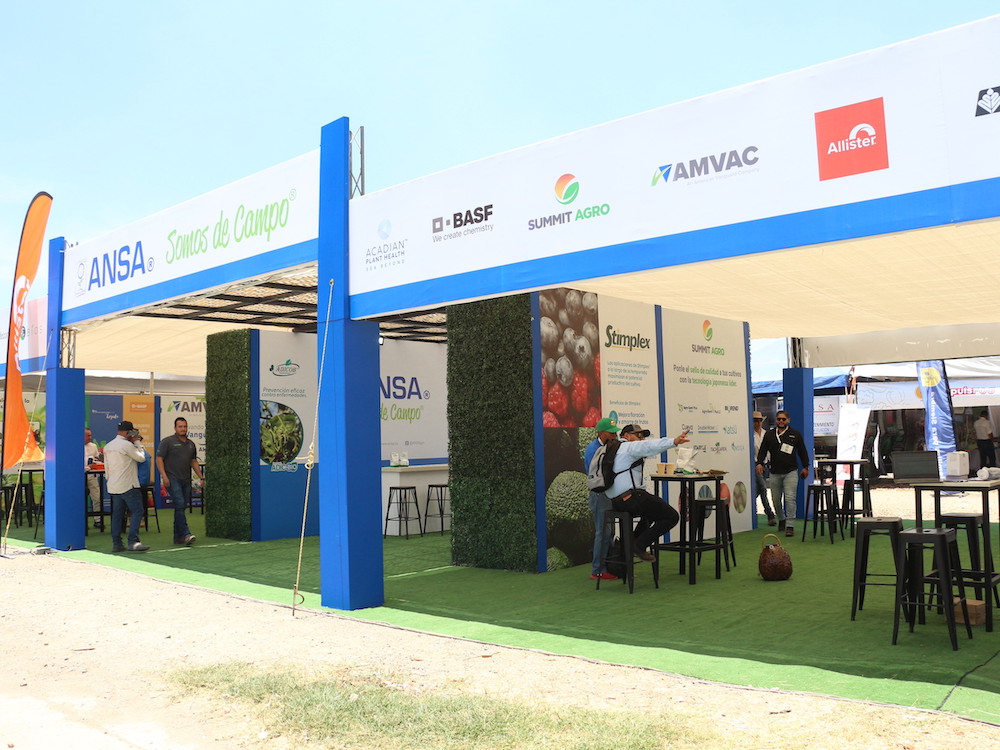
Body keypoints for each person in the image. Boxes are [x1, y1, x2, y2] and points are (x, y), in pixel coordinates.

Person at [605, 424, 690, 561]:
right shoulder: (629, 447)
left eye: (643, 436)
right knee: (672, 516)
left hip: (615, 501)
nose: (642, 439)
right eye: (638, 435)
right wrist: (673, 441)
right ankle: (639, 545)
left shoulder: (612, 449)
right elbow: (650, 446)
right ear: (626, 436)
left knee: (651, 512)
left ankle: (629, 543)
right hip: (630, 499)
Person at [755, 409, 809, 537]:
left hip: (791, 472)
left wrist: (806, 467)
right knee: (776, 500)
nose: (781, 421)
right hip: (774, 472)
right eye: (779, 419)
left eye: (783, 419)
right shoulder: (770, 435)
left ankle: (790, 525)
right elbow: (763, 450)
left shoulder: (795, 434)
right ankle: (781, 519)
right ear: (776, 420)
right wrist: (759, 463)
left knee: (790, 498)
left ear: (788, 420)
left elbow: (802, 451)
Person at [156, 417, 203, 546]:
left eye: (184, 426)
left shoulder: (191, 444)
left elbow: (193, 461)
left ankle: (178, 537)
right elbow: (159, 459)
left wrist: (201, 477)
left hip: (186, 480)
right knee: (180, 503)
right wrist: (164, 476)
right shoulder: (167, 441)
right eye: (180, 426)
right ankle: (186, 534)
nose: (183, 429)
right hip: (172, 478)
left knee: (180, 507)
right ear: (175, 428)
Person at [104, 420, 150, 553]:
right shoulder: (127, 445)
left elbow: (107, 468)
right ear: (128, 432)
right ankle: (133, 541)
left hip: (113, 485)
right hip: (128, 485)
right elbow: (142, 458)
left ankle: (117, 544)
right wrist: (137, 442)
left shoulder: (108, 446)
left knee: (117, 515)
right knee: (137, 511)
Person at [584, 417, 619, 581]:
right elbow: (597, 475)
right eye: (611, 433)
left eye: (615, 433)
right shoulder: (593, 450)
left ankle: (608, 566)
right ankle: (598, 570)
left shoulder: (610, 446)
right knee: (602, 532)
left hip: (609, 494)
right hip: (599, 495)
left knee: (609, 532)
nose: (614, 436)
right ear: (601, 433)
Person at [752, 412, 776, 525]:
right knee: (763, 488)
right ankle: (770, 514)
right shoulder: (750, 435)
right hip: (755, 465)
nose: (758, 423)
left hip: (765, 465)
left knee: (759, 490)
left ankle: (752, 509)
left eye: (760, 420)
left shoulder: (766, 434)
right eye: (756, 421)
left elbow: (770, 451)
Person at [84, 428, 102, 519]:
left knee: (97, 498)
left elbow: (97, 457)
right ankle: (80, 520)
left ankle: (97, 520)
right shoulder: (74, 446)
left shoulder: (93, 446)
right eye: (88, 435)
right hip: (79, 477)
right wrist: (88, 467)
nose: (90, 437)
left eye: (90, 435)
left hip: (92, 476)